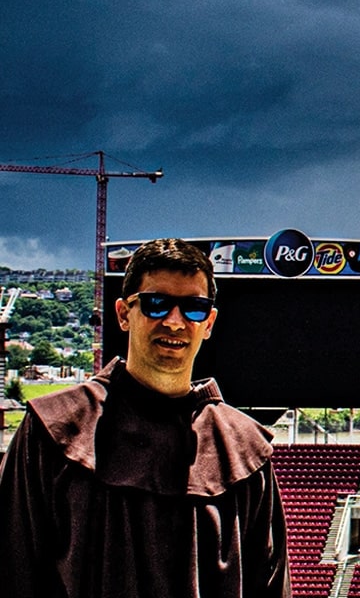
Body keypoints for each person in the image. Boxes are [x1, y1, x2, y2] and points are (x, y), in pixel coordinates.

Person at [0, 238, 291, 597]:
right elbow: (11, 568)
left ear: (209, 322)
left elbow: (270, 585)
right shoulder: (54, 429)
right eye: (156, 304)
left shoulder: (244, 450)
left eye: (194, 308)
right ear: (124, 314)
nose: (174, 322)